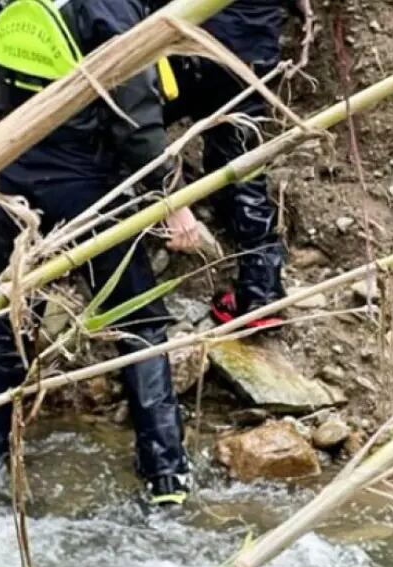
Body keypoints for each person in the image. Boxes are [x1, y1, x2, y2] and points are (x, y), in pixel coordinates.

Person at [0, 0, 201, 506]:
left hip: (16, 183)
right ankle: (167, 479)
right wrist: (173, 203)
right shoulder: (107, 5)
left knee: (7, 317)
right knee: (139, 325)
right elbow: (135, 121)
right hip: (91, 192)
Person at [159, 0, 290, 328]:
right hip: (251, 53)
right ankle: (261, 291)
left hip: (192, 44)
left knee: (132, 129)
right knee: (243, 164)